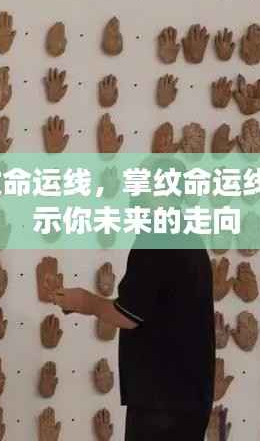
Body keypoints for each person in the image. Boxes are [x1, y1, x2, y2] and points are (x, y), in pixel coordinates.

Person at [52, 156, 215, 441]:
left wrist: (84, 302)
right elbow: (150, 307)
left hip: (163, 399)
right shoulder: (186, 234)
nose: (134, 193)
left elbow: (129, 314)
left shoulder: (159, 236)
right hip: (187, 395)